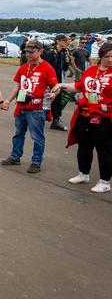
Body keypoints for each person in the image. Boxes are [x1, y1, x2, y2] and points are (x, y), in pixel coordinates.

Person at [52, 42, 112, 193]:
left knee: (104, 149)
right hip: (85, 114)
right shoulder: (91, 70)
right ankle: (83, 174)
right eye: (107, 57)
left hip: (104, 117)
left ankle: (104, 181)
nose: (110, 60)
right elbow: (79, 86)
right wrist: (61, 85)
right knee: (84, 146)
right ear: (101, 56)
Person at [0, 40, 58, 174]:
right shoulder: (23, 67)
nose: (29, 54)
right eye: (27, 52)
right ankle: (15, 157)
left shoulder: (47, 67)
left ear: (40, 51)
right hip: (21, 106)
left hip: (36, 109)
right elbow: (17, 86)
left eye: (32, 52)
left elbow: (55, 85)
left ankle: (36, 162)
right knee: (18, 134)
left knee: (37, 137)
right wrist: (7, 100)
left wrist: (54, 93)